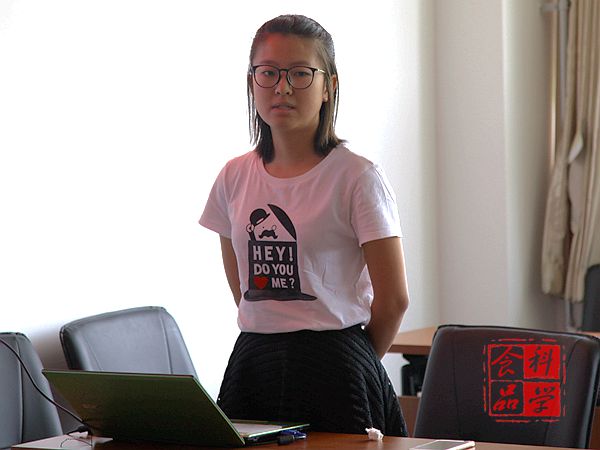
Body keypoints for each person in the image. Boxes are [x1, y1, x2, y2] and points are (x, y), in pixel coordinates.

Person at [199, 14, 409, 436]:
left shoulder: (357, 176)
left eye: (300, 73)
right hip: (254, 363)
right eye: (268, 73)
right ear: (252, 82)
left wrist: (354, 359)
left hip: (337, 365)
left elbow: (394, 301)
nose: (282, 87)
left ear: (329, 86)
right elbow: (244, 291)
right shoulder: (233, 176)